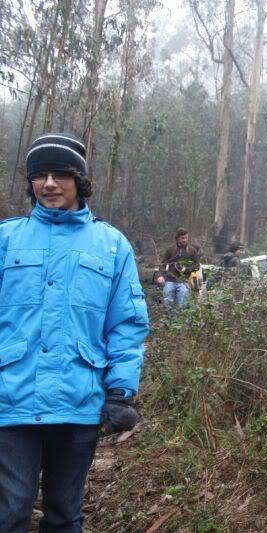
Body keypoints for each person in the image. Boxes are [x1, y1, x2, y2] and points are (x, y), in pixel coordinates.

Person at [0, 132, 149, 532]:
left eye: (60, 174)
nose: (49, 183)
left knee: (65, 514)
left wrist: (120, 391)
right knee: (10, 510)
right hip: (11, 398)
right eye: (39, 175)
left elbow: (127, 323)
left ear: (79, 182)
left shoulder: (112, 245)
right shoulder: (6, 238)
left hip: (78, 400)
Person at [155, 228, 201, 308]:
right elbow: (163, 265)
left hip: (183, 282)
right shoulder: (171, 249)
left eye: (186, 238)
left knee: (181, 306)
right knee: (167, 304)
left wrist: (186, 269)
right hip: (170, 281)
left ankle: (178, 318)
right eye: (182, 238)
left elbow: (197, 266)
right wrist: (160, 276)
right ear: (178, 238)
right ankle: (168, 318)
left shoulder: (192, 250)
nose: (185, 240)